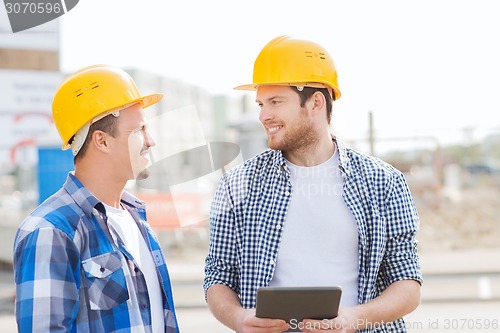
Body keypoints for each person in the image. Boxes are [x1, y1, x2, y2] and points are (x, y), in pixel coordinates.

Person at [204, 35, 422, 333]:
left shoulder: (383, 182)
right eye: (261, 104)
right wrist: (237, 318)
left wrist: (353, 319)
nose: (264, 115)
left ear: (316, 103)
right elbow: (218, 274)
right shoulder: (237, 184)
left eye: (276, 102)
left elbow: (407, 284)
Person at [13, 65, 179, 333]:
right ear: (102, 141)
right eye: (139, 130)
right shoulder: (50, 230)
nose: (151, 141)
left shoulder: (137, 219)